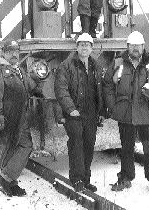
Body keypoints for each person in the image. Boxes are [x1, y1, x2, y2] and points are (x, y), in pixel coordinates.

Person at [102, 31, 149, 193]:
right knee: (126, 148)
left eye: (138, 46)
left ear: (143, 46)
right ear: (128, 47)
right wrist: (112, 106)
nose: (135, 49)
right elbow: (107, 85)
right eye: (132, 46)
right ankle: (125, 178)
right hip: (125, 114)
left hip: (146, 114)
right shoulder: (118, 63)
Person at [0, 39, 42, 197]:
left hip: (20, 118)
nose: (14, 55)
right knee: (8, 149)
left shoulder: (20, 71)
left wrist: (40, 79)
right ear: (3, 53)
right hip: (7, 118)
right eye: (10, 52)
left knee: (24, 146)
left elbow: (30, 87)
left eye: (16, 52)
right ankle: (8, 181)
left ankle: (7, 180)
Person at [54, 32, 105, 192]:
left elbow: (101, 91)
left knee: (89, 145)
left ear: (92, 48)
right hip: (74, 114)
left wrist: (102, 111)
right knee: (77, 145)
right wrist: (71, 109)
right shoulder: (66, 66)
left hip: (91, 113)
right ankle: (76, 179)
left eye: (87, 45)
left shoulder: (96, 66)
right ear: (77, 47)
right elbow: (61, 89)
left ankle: (86, 179)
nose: (84, 47)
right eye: (81, 44)